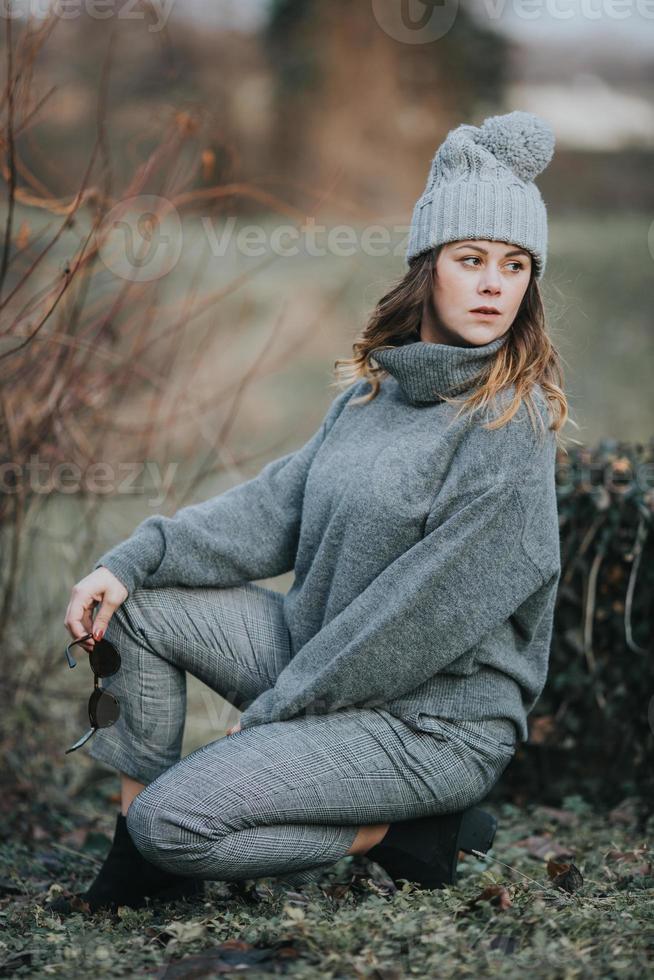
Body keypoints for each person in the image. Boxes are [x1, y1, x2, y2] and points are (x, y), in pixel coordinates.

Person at [52, 110, 566, 914]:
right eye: (472, 259)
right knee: (137, 610)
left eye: (515, 264)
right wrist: (127, 561)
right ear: (428, 266)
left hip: (430, 721)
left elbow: (413, 623)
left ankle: (408, 837)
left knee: (179, 822)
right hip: (322, 654)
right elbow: (270, 512)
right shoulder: (374, 395)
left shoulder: (509, 430)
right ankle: (135, 859)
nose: (495, 284)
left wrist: (277, 716)